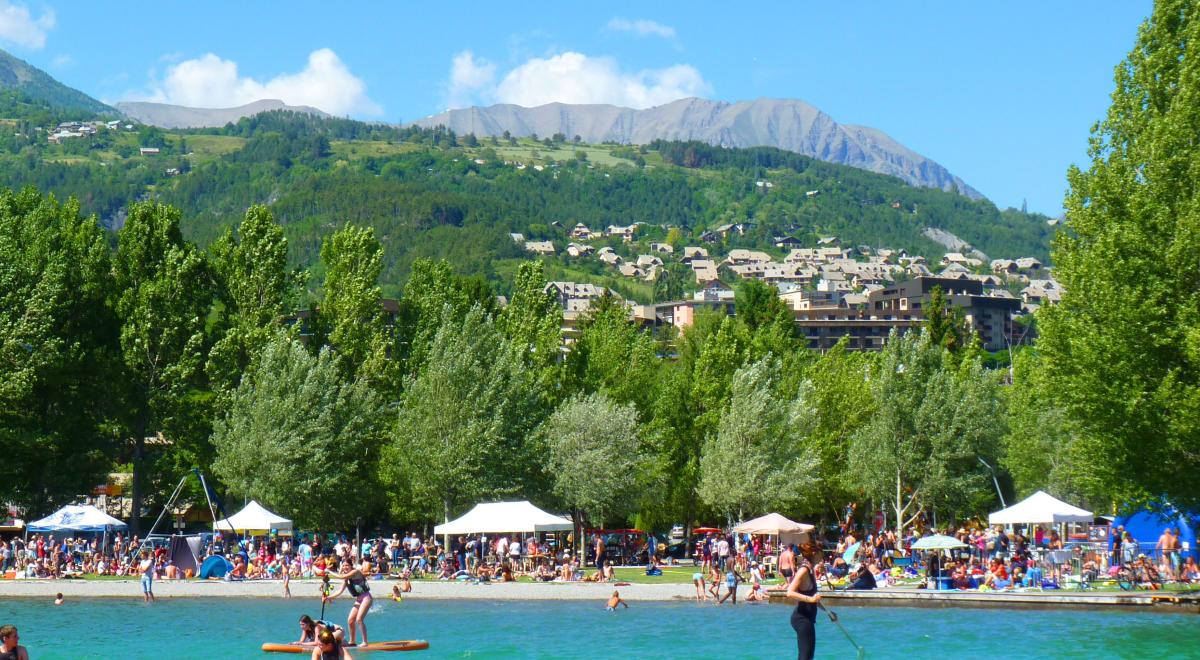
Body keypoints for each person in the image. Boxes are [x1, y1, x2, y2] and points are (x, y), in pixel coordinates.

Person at [785, 541, 822, 660]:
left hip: (808, 618)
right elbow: (789, 592)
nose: (822, 558)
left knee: (808, 656)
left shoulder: (810, 570)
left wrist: (829, 612)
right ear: (815, 554)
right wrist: (811, 599)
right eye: (821, 554)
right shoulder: (804, 570)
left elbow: (814, 598)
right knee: (805, 656)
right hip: (801, 618)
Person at [325, 559, 373, 647]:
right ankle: (352, 641)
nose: (345, 567)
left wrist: (329, 571)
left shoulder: (356, 572)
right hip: (359, 599)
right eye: (343, 565)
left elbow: (341, 576)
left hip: (366, 598)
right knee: (350, 620)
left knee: (359, 619)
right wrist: (329, 597)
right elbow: (340, 591)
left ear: (351, 566)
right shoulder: (346, 578)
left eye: (347, 565)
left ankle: (365, 642)